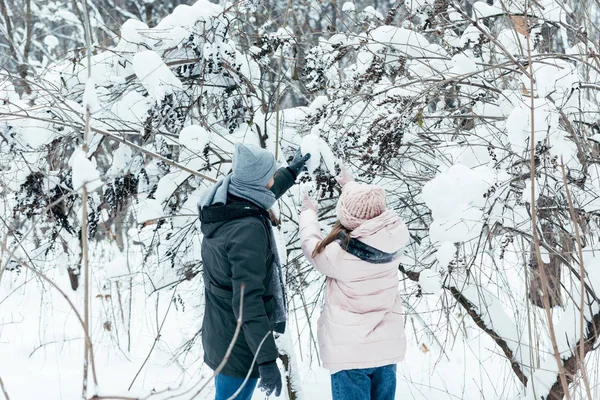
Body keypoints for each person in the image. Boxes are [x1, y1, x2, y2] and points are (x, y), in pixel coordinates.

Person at [198, 143, 310, 400]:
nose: (272, 180)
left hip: (223, 332)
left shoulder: (227, 200)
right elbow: (248, 302)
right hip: (237, 345)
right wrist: (268, 360)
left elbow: (263, 190)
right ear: (258, 182)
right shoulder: (246, 231)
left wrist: (290, 173)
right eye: (270, 175)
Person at [299, 166, 409, 400]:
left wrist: (309, 214)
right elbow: (366, 213)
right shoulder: (395, 239)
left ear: (346, 218)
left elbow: (310, 244)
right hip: (385, 353)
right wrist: (350, 185)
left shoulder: (338, 256)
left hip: (350, 357)